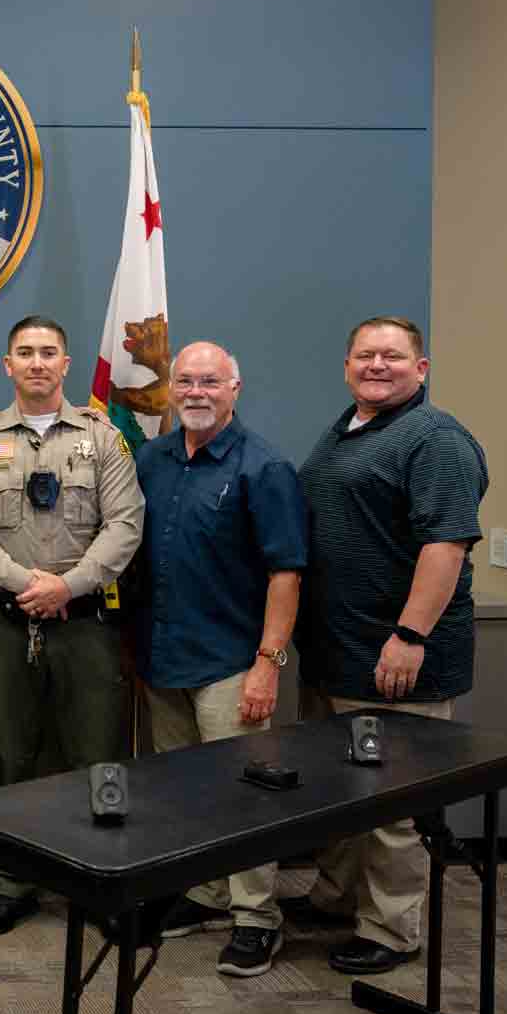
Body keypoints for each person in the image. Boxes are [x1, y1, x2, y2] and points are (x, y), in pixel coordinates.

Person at [290, 316, 488, 974]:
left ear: (421, 368)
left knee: (390, 801)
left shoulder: (435, 439)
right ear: (347, 365)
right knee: (341, 791)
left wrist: (409, 636)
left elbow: (447, 544)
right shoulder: (347, 426)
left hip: (395, 658)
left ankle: (391, 927)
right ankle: (338, 894)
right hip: (337, 655)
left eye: (393, 356)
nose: (378, 365)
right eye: (365, 355)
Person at [0, 314, 143, 938]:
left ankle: (106, 884)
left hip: (85, 624)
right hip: (6, 621)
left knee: (100, 757)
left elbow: (125, 524)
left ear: (66, 363)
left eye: (47, 352)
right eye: (24, 352)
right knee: (7, 754)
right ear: (8, 365)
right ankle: (12, 885)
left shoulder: (102, 439)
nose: (36, 362)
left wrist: (68, 585)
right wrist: (23, 585)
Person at [133, 341, 307, 977]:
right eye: (186, 381)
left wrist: (269, 661)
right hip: (163, 658)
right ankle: (206, 894)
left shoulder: (266, 468)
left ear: (235, 388)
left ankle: (257, 917)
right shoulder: (150, 459)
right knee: (184, 792)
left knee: (244, 794)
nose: (197, 392)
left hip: (233, 661)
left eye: (211, 381)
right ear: (171, 390)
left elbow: (286, 572)